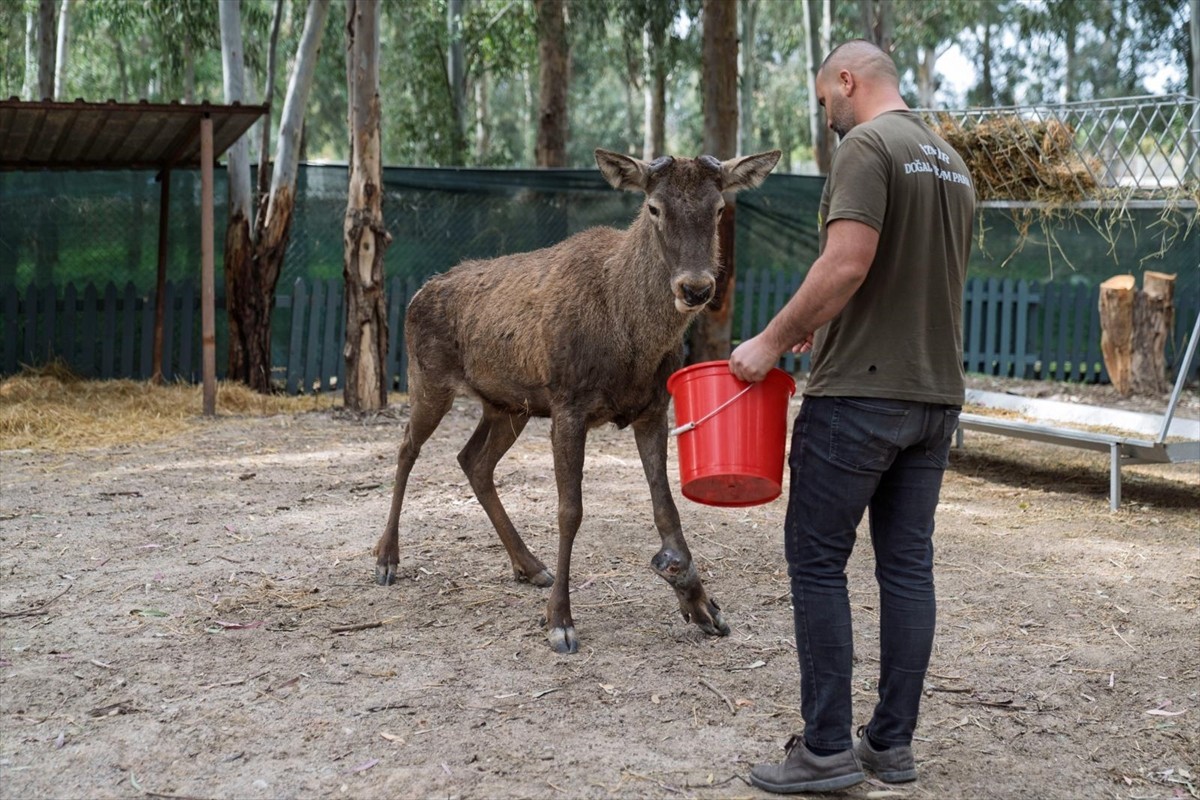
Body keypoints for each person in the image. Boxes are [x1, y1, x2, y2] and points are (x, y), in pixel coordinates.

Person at [730, 39, 975, 794]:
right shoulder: (951, 163)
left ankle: (827, 749)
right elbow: (904, 279)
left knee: (816, 562)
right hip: (933, 396)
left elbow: (848, 263)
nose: (826, 116)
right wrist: (824, 323)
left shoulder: (867, 148)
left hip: (858, 401)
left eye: (823, 99)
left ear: (847, 81)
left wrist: (768, 343)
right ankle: (890, 747)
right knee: (906, 570)